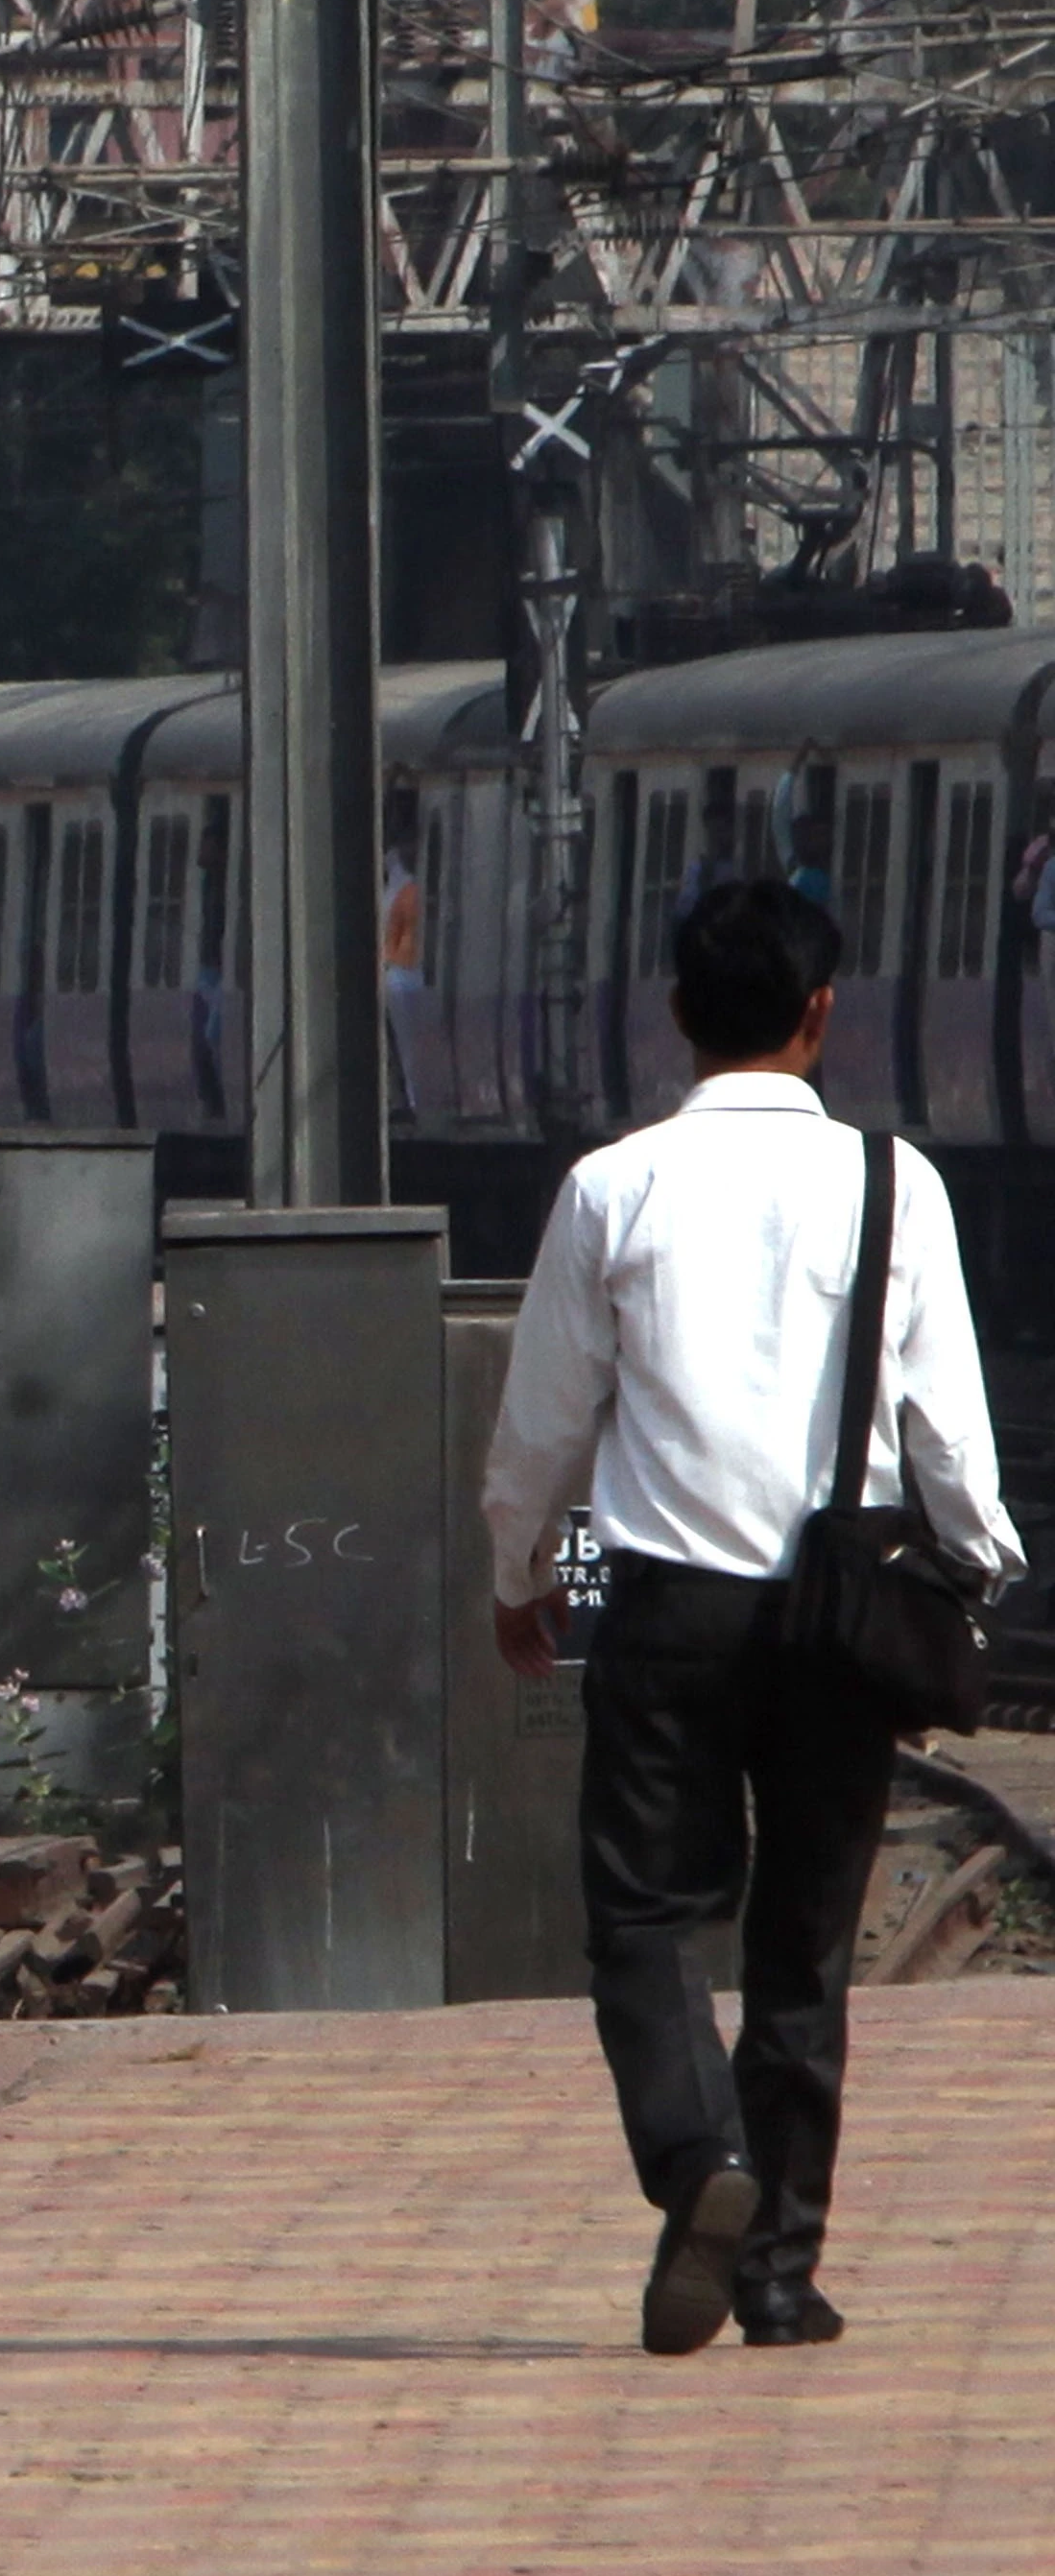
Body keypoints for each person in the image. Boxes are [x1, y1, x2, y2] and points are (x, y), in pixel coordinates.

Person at [483, 877, 1018, 2357]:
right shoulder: (898, 1182)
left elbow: (541, 1419)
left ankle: (695, 2156)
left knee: (646, 1918)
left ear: (676, 1014)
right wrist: (974, 1568)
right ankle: (777, 2269)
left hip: (668, 1612)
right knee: (804, 1945)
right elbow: (948, 1429)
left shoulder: (615, 1185)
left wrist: (518, 1571)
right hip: (842, 1614)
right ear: (821, 1012)